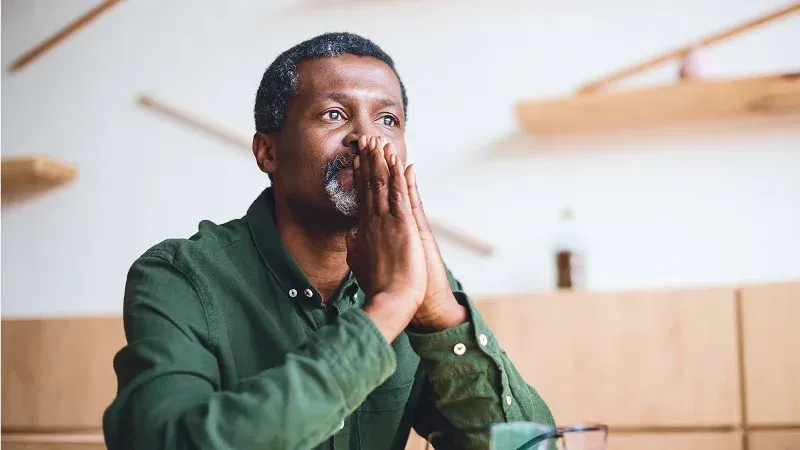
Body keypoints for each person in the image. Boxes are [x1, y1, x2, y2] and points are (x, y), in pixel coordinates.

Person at [103, 32, 554, 450]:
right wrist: (388, 309)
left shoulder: (416, 279)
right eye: (334, 114)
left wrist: (440, 316)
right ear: (268, 152)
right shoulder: (180, 276)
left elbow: (530, 447)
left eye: (388, 119)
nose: (367, 139)